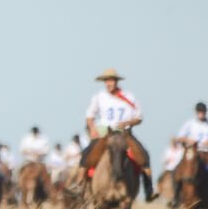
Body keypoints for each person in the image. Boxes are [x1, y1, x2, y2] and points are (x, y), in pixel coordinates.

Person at [67, 68, 157, 201]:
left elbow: (139, 117)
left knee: (143, 154)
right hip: (104, 132)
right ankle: (79, 186)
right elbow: (89, 115)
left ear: (116, 81)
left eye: (111, 80)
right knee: (86, 153)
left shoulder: (128, 96)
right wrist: (92, 128)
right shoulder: (99, 97)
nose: (108, 83)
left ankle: (149, 189)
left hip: (124, 133)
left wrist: (128, 122)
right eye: (106, 81)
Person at [176, 102, 208, 180]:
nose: (201, 113)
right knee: (177, 171)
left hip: (207, 153)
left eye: (203, 111)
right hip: (192, 152)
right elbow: (179, 137)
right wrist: (189, 140)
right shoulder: (190, 123)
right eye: (199, 111)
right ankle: (176, 190)